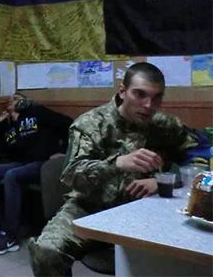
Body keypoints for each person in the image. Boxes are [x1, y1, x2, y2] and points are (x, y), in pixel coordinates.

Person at [28, 62, 198, 276]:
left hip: (144, 208)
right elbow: (72, 174)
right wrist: (117, 163)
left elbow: (199, 156)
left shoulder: (164, 124)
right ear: (122, 91)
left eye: (156, 98)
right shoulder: (91, 124)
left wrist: (164, 180)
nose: (148, 105)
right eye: (139, 94)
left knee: (189, 248)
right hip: (90, 208)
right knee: (47, 252)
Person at [0, 93, 73, 256]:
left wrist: (63, 152)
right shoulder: (10, 127)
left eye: (17, 98)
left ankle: (10, 236)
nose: (11, 100)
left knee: (12, 176)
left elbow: (69, 123)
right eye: (10, 99)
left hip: (43, 163)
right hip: (22, 163)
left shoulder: (37, 112)